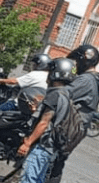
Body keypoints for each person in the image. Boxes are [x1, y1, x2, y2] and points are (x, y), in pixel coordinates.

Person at [17, 58, 81, 183]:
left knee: (28, 179)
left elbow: (44, 123)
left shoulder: (54, 94)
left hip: (43, 146)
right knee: (38, 180)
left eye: (49, 71)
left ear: (56, 74)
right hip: (52, 148)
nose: (47, 75)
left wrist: (27, 143)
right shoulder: (65, 95)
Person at [46, 45, 99, 183]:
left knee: (51, 163)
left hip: (69, 128)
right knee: (57, 164)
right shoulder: (93, 79)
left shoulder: (86, 80)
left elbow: (61, 94)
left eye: (76, 61)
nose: (74, 66)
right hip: (77, 128)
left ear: (83, 60)